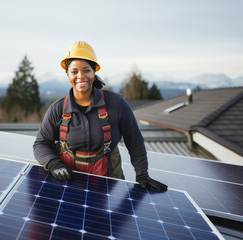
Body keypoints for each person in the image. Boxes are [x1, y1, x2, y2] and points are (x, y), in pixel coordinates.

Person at [33, 41, 167, 192]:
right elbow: (40, 144)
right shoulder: (57, 109)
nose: (80, 76)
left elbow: (134, 141)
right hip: (68, 181)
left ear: (94, 72)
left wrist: (142, 174)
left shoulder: (116, 104)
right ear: (67, 74)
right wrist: (53, 164)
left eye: (86, 70)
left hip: (107, 181)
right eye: (74, 71)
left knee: (103, 217)